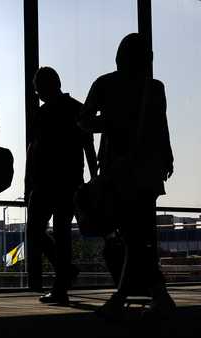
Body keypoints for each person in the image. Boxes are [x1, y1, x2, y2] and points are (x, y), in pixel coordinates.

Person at [79, 33, 175, 320]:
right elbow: (161, 127)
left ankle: (132, 296)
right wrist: (166, 159)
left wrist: (108, 123)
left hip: (117, 170)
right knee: (140, 236)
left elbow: (84, 120)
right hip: (146, 171)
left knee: (132, 236)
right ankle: (151, 295)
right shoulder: (154, 88)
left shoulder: (105, 84)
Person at [25, 67, 97, 304]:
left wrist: (29, 183)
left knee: (36, 232)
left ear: (44, 87)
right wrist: (93, 176)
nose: (36, 92)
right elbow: (88, 146)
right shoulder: (75, 109)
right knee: (62, 231)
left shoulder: (42, 114)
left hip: (45, 182)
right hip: (68, 180)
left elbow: (33, 150)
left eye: (37, 88)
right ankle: (62, 279)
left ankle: (63, 275)